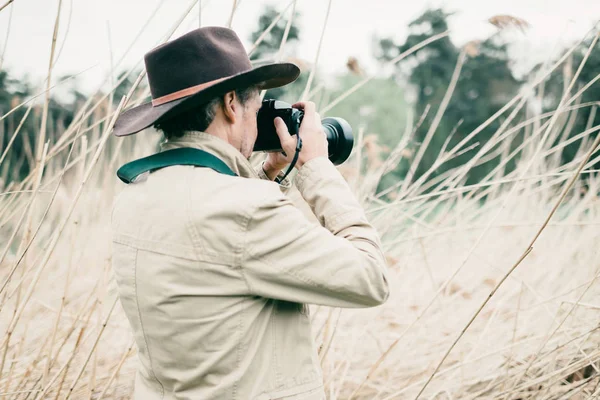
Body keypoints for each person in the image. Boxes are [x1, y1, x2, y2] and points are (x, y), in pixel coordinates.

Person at [111, 26, 389, 400]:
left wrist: (266, 174)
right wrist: (317, 168)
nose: (257, 122)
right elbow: (369, 278)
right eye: (256, 109)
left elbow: (218, 265)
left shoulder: (136, 195)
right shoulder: (243, 209)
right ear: (230, 104)